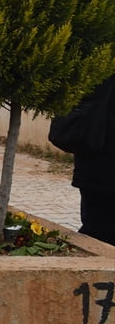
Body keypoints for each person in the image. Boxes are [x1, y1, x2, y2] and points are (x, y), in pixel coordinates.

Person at [49, 74, 115, 245]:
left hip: (96, 170)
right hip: (98, 171)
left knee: (97, 232)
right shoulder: (99, 64)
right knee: (98, 234)